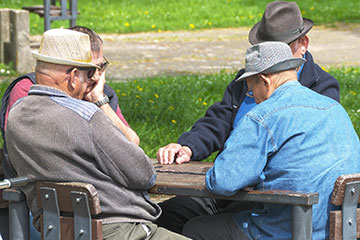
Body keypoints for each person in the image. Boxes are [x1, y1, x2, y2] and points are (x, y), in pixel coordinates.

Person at [155, 1, 341, 234]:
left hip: (274, 199)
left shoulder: (317, 91)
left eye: (279, 48)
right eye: (264, 47)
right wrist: (188, 146)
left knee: (199, 229)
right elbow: (219, 120)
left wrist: (239, 170)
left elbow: (307, 162)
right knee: (164, 215)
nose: (269, 56)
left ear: (303, 44)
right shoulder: (250, 81)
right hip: (234, 187)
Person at [5, 28, 189, 240]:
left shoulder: (16, 115)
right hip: (119, 230)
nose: (93, 79)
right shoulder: (85, 115)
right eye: (90, 73)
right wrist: (99, 104)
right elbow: (144, 174)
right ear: (74, 76)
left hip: (57, 231)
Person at [183, 41, 360, 240]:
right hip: (339, 229)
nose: (253, 97)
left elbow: (223, 181)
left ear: (264, 81)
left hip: (284, 230)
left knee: (194, 229)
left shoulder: (263, 117)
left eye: (251, 90)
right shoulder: (334, 109)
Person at [0, 26, 139, 179]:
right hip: (45, 190)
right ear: (72, 71)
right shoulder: (28, 89)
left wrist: (101, 102)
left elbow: (132, 149)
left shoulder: (101, 94)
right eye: (90, 70)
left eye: (101, 67)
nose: (96, 77)